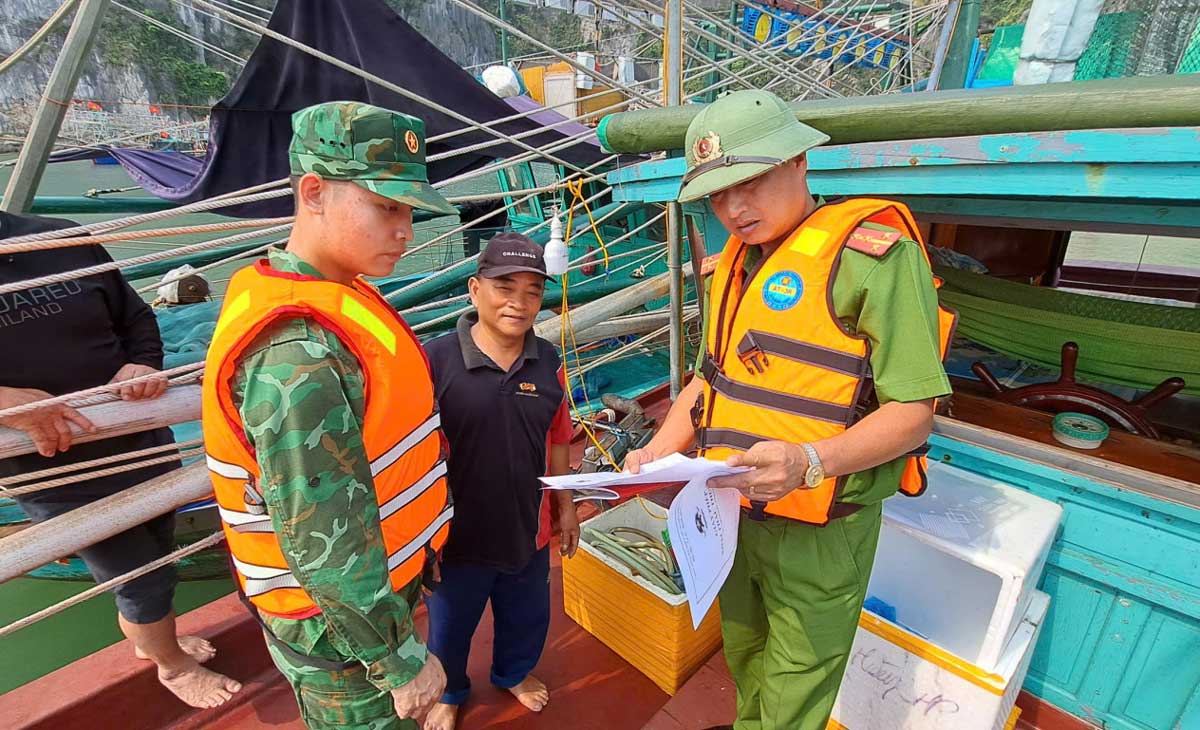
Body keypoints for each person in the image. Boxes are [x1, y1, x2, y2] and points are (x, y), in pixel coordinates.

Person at [624, 89, 954, 730]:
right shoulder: (731, 267)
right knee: (745, 655)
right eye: (717, 194)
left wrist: (808, 462)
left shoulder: (875, 257)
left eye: (750, 182)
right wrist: (651, 453)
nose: (733, 207)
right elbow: (706, 385)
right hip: (731, 509)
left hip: (824, 524)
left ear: (800, 160)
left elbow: (915, 412)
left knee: (797, 685)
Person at [200, 101, 458, 730]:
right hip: (343, 637)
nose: (406, 231)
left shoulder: (334, 293)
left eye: (409, 211)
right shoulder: (296, 354)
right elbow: (325, 541)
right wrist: (400, 662)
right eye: (386, 207)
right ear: (313, 192)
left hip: (363, 609)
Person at [0, 210, 242, 708]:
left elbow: (133, 317)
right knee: (139, 576)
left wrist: (143, 363)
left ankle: (152, 639)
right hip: (50, 461)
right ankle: (171, 667)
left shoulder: (52, 237)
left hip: (135, 430)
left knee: (159, 547)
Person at [420, 233, 579, 730]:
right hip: (455, 535)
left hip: (527, 529)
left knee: (527, 613)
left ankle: (514, 672)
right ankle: (450, 690)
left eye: (533, 291)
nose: (519, 302)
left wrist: (565, 507)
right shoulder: (435, 360)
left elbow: (557, 438)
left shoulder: (549, 361)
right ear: (474, 289)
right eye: (504, 286)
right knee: (449, 625)